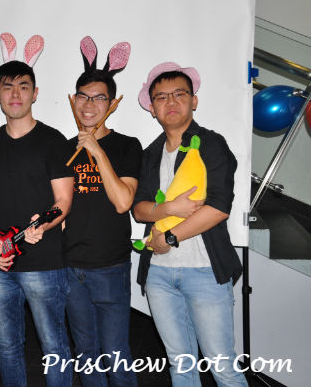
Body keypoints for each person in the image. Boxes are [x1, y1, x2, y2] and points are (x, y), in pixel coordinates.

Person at [132, 62, 247, 387]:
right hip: (159, 275)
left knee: (223, 369)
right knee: (180, 365)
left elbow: (218, 208)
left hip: (206, 272)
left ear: (193, 100)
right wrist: (169, 208)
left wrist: (169, 236)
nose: (170, 102)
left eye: (179, 94)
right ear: (152, 107)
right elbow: (139, 210)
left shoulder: (211, 144)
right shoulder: (150, 153)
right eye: (161, 97)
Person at [0, 60, 74, 387]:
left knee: (54, 346)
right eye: (8, 87)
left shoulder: (53, 140)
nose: (15, 94)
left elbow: (64, 201)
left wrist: (42, 226)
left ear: (35, 93)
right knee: (7, 347)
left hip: (45, 263)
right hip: (0, 262)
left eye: (23, 87)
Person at [64, 66, 142, 385]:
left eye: (99, 98)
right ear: (74, 100)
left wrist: (97, 151)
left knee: (116, 353)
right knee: (85, 353)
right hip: (70, 267)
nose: (89, 104)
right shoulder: (63, 148)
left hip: (110, 266)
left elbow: (123, 202)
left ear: (111, 104)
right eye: (83, 96)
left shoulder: (127, 146)